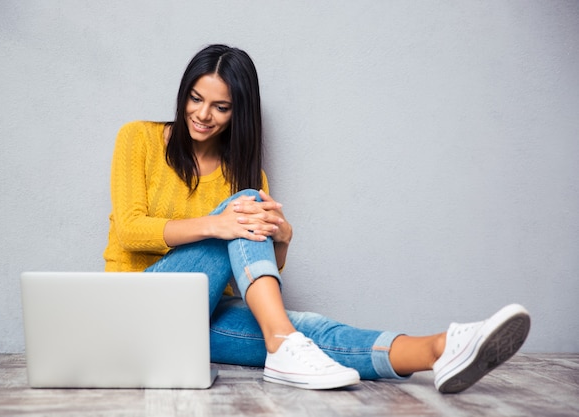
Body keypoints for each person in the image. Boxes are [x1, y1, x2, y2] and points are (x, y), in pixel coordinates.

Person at [103, 44, 531, 392]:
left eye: (221, 107)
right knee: (248, 207)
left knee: (305, 328)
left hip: (192, 319)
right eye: (196, 99)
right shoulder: (138, 138)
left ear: (239, 112)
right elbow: (129, 229)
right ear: (183, 94)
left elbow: (244, 270)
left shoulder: (244, 175)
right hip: (138, 308)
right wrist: (217, 223)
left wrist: (283, 240)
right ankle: (283, 342)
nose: (202, 114)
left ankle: (439, 349)